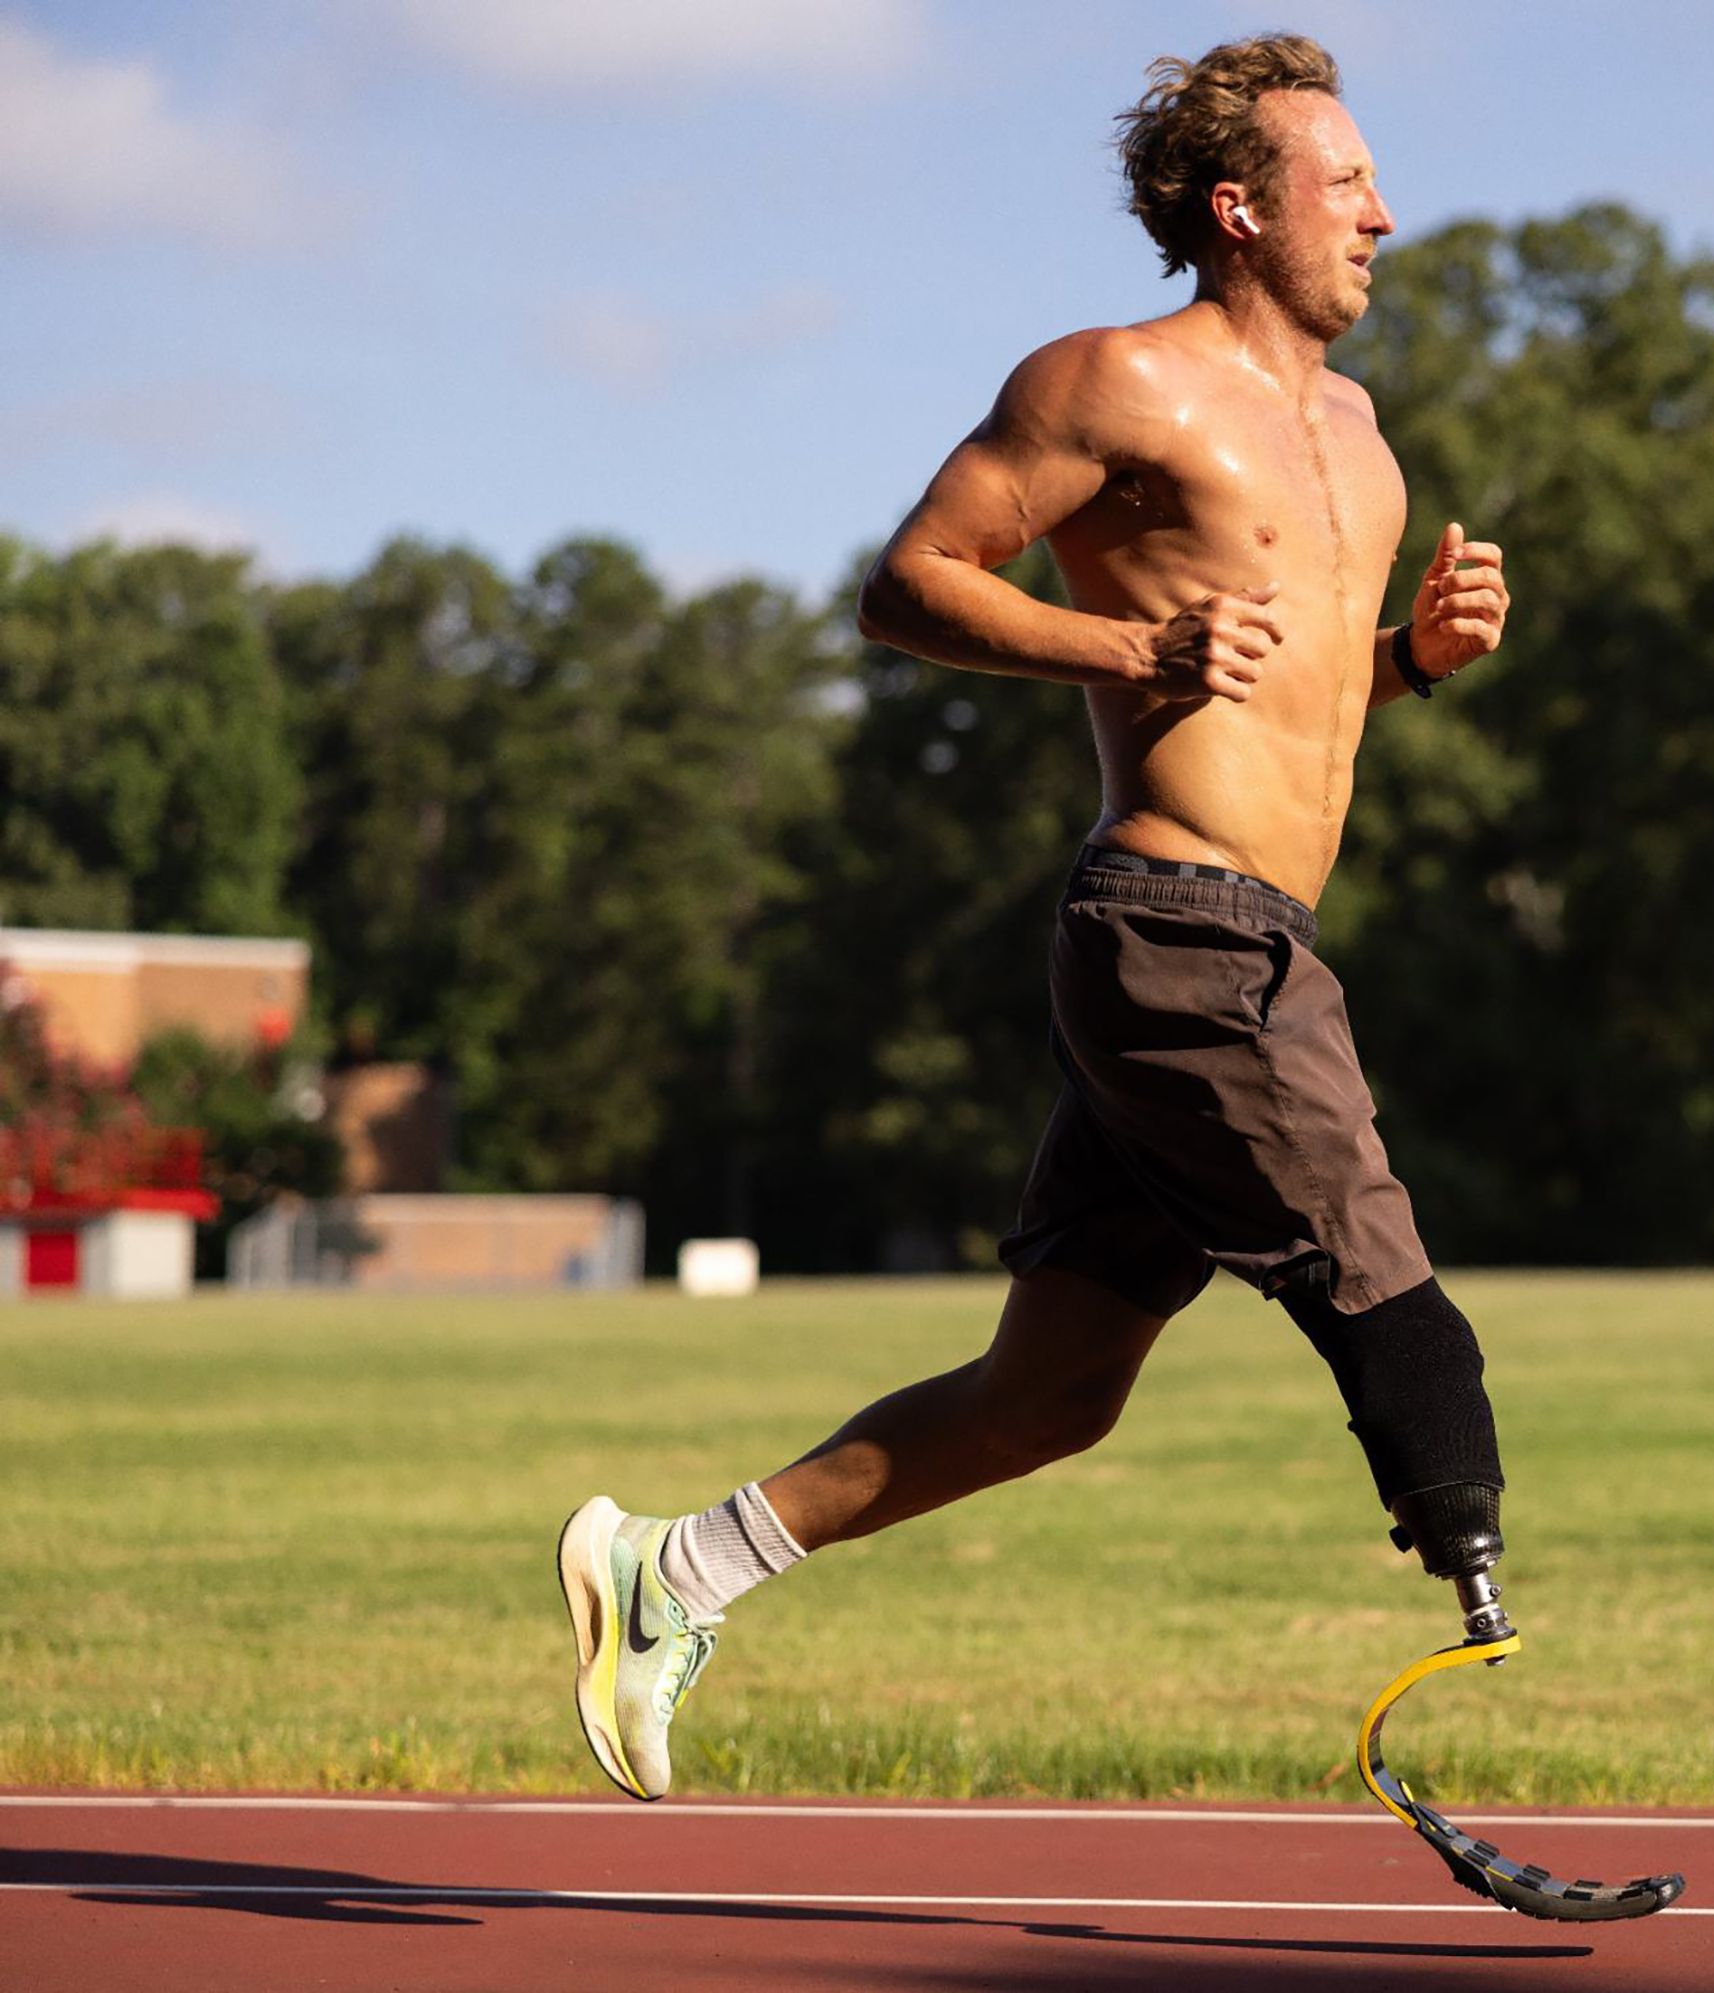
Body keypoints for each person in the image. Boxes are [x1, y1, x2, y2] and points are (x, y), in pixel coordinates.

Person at [557, 33, 1521, 1802]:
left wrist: (1415, 663)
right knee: (1385, 1279)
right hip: (1173, 933)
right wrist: (1122, 645)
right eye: (1348, 184)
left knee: (1051, 1395)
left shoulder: (1366, 444)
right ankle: (1477, 1565)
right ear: (1242, 209)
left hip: (1256, 934)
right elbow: (907, 584)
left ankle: (671, 1570)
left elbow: (1291, 704)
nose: (1387, 214)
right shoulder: (1111, 385)